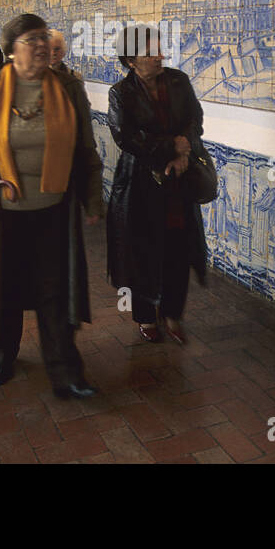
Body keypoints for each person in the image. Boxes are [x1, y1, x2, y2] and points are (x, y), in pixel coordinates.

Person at [0, 13, 104, 399]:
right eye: (33, 39)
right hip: (2, 214)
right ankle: (2, 354)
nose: (43, 44)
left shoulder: (66, 88)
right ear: (11, 49)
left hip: (55, 212)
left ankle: (66, 371)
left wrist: (92, 198)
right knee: (3, 289)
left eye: (45, 37)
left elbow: (85, 148)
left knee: (55, 290)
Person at [106, 24, 207, 345]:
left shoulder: (178, 81)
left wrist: (183, 149)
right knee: (142, 251)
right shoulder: (120, 93)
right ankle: (146, 316)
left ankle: (173, 313)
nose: (160, 56)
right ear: (131, 60)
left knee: (178, 247)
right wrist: (170, 149)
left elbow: (196, 119)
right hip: (140, 185)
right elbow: (126, 137)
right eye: (150, 52)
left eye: (160, 49)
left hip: (179, 180)